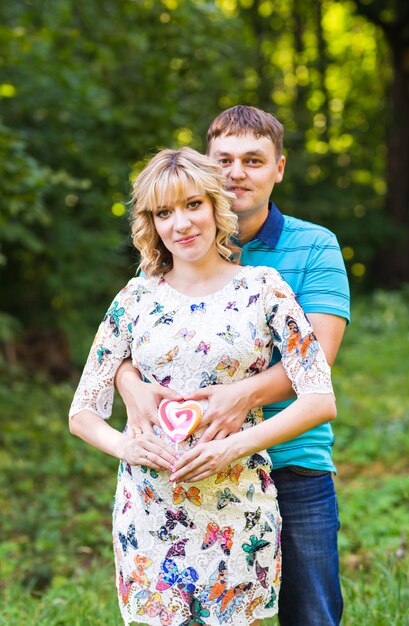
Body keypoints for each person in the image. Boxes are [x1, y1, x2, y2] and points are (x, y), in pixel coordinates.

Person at [69, 146, 336, 626]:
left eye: (193, 204)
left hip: (238, 510)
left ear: (216, 206)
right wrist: (126, 447)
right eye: (164, 212)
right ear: (152, 223)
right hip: (148, 514)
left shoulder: (264, 287)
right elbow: (82, 413)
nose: (182, 224)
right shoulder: (135, 298)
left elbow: (319, 399)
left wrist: (233, 447)